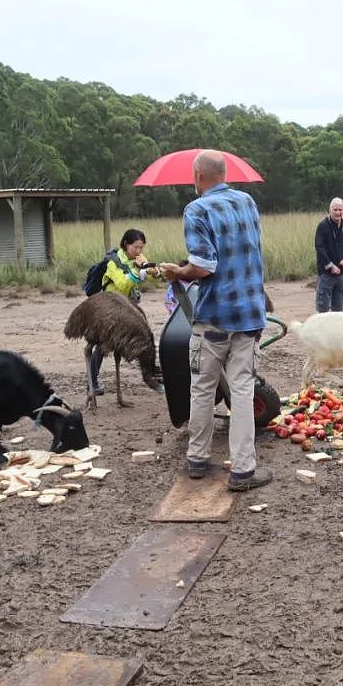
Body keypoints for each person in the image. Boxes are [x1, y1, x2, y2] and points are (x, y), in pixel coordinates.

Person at [160, 150, 272, 492]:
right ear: (223, 174)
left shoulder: (196, 209)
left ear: (197, 176)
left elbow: (205, 265)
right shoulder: (248, 202)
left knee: (203, 388)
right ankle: (242, 471)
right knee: (241, 390)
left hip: (213, 319)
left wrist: (178, 271)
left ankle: (197, 461)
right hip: (249, 314)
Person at [88, 228, 161, 395]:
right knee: (102, 346)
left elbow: (150, 276)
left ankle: (151, 371)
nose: (139, 251)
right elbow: (122, 284)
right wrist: (138, 270)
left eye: (141, 247)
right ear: (126, 244)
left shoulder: (134, 260)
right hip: (109, 309)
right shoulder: (113, 262)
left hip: (126, 309)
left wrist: (154, 272)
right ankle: (91, 382)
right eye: (136, 247)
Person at [314, 197, 343, 312]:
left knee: (338, 308)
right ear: (330, 210)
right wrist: (330, 265)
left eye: (340, 210)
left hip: (341, 274)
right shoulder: (323, 226)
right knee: (322, 308)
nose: (338, 212)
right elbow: (319, 248)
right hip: (326, 274)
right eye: (335, 210)